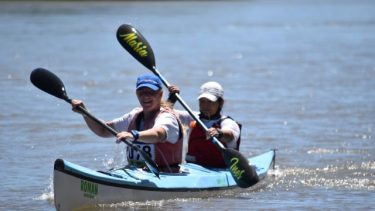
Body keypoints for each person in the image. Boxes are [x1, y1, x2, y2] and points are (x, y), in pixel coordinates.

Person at [72, 74, 183, 173]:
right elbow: (103, 130)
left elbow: (158, 134)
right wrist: (85, 113)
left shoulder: (167, 118)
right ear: (136, 94)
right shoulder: (133, 115)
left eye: (151, 92)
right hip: (137, 173)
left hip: (166, 175)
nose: (145, 96)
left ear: (160, 94)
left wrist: (133, 135)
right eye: (142, 92)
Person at [168, 81, 241, 168]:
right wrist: (171, 100)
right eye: (202, 101)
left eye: (210, 102)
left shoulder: (228, 122)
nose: (205, 106)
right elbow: (165, 115)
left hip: (220, 169)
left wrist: (219, 133)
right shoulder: (192, 118)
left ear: (220, 103)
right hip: (193, 169)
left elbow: (229, 135)